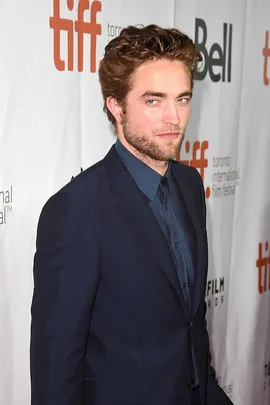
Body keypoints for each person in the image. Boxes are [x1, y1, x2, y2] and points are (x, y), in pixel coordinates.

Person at [30, 25, 234, 405]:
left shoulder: (190, 185)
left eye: (183, 99)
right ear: (116, 106)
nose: (174, 118)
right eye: (153, 101)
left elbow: (191, 325)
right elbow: (56, 373)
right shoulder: (76, 212)